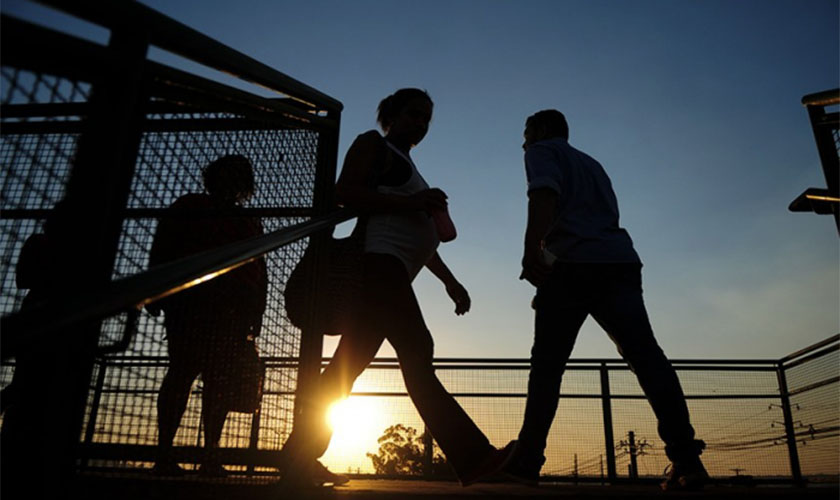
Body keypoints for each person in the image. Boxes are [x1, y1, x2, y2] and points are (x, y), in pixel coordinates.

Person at [280, 88, 513, 488]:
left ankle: (297, 458)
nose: (420, 124)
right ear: (391, 114)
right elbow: (346, 192)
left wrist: (450, 282)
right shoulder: (374, 144)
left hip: (393, 272)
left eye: (426, 118)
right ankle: (473, 456)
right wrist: (414, 203)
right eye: (413, 115)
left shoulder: (410, 165)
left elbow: (418, 237)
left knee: (343, 371)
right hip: (378, 267)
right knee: (417, 349)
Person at [504, 110, 709, 491]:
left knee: (548, 367)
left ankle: (527, 460)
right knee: (648, 360)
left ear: (543, 130)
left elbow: (544, 195)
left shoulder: (541, 151)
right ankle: (687, 459)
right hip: (619, 262)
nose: (523, 141)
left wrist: (532, 249)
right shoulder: (592, 164)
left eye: (526, 132)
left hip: (570, 265)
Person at [147, 154, 267, 477]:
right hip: (192, 304)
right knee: (183, 373)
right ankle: (165, 453)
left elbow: (259, 265)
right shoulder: (191, 206)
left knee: (217, 381)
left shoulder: (249, 219)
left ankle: (209, 454)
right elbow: (164, 244)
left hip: (233, 309)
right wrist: (154, 288)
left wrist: (257, 308)